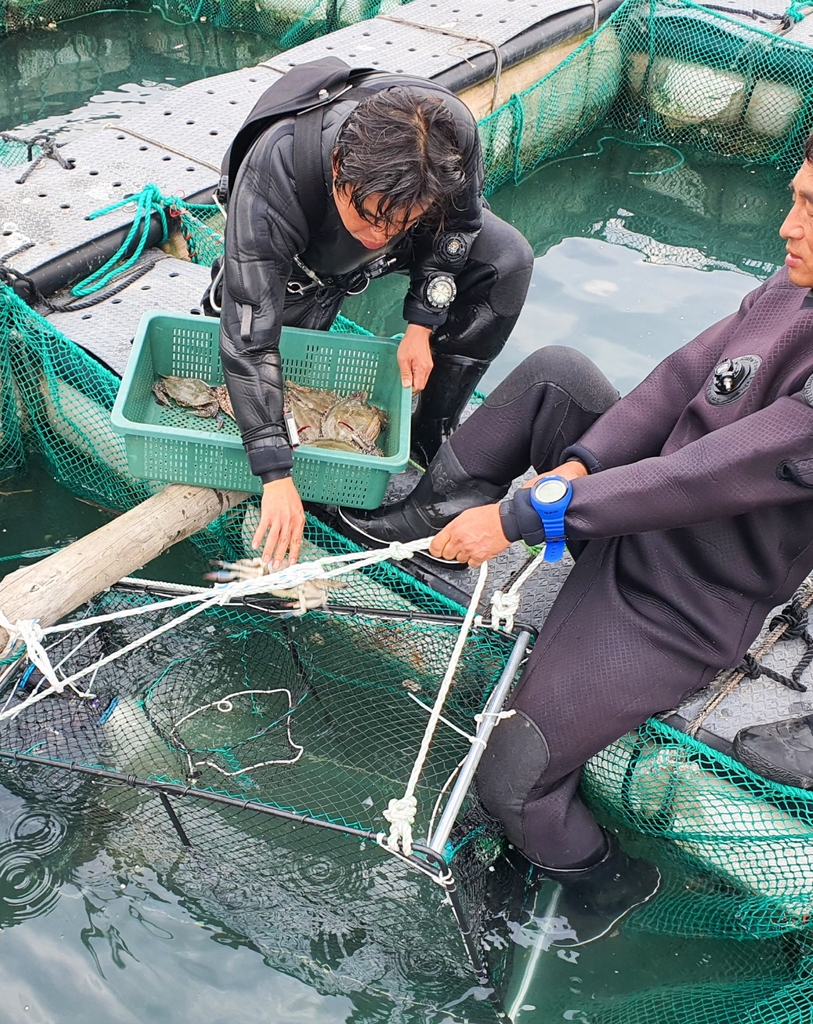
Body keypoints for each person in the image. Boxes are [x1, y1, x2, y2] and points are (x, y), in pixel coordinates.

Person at [339, 133, 813, 943]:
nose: (786, 227)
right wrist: (577, 467)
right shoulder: (790, 286)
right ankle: (419, 526)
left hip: (680, 594)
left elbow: (696, 478)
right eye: (797, 197)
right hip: (618, 518)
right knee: (557, 372)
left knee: (513, 784)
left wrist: (528, 515)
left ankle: (608, 886)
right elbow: (673, 382)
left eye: (810, 211)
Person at [204, 73, 533, 570]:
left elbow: (461, 227)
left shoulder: (450, 141)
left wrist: (422, 323)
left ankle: (431, 432)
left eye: (400, 222)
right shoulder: (275, 170)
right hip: (302, 252)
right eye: (374, 218)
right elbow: (249, 338)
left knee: (507, 259)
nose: (380, 236)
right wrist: (274, 473)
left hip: (393, 214)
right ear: (340, 166)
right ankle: (306, 483)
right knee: (271, 359)